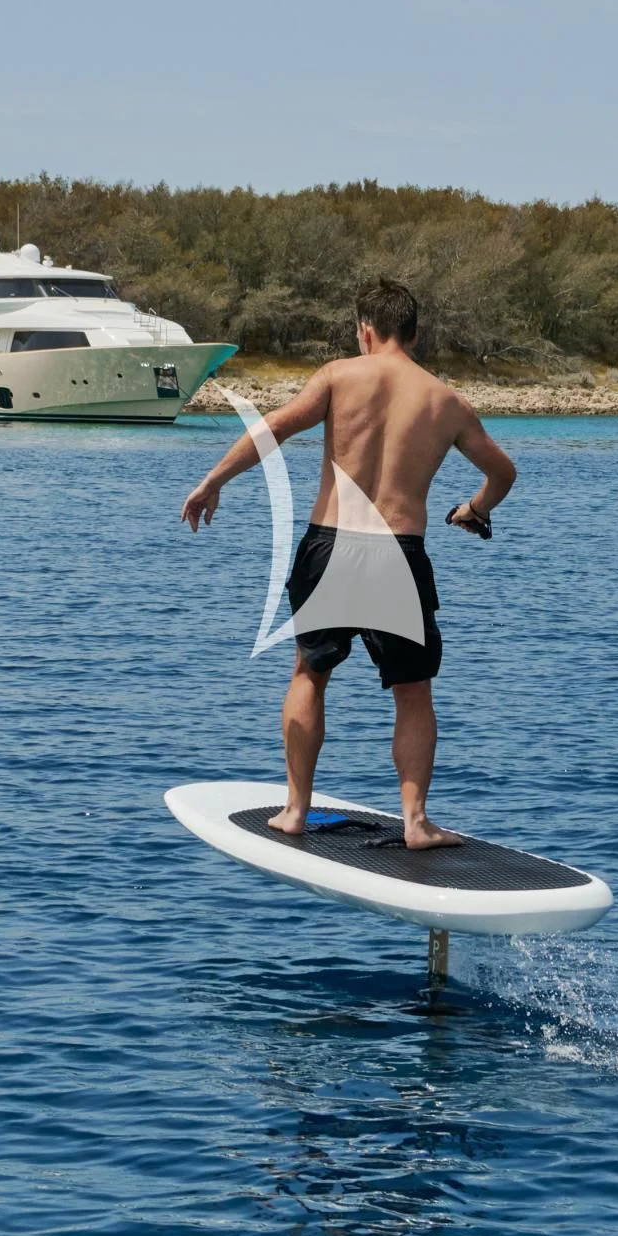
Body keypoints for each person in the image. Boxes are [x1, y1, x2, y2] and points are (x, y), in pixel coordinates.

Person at [183, 278, 517, 849]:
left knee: (309, 674)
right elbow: (504, 473)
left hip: (331, 542)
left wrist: (215, 479)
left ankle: (294, 810)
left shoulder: (340, 376)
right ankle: (415, 823)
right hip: (399, 551)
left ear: (366, 330)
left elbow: (275, 429)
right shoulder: (446, 402)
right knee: (412, 692)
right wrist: (473, 509)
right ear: (414, 334)